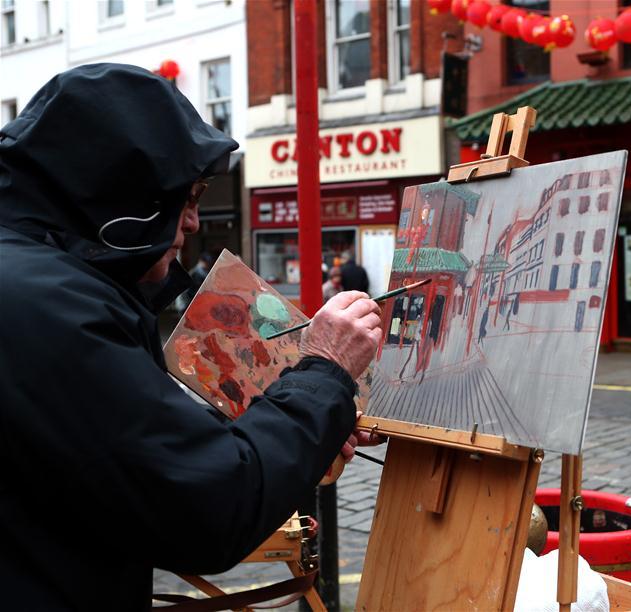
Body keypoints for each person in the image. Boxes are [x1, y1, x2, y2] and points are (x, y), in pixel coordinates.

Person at [0, 64, 382, 609]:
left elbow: (131, 459)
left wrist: (311, 420)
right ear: (124, 198)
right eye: (187, 198)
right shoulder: (49, 306)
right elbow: (210, 503)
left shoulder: (33, 277)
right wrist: (324, 372)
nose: (195, 222)